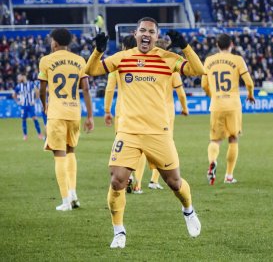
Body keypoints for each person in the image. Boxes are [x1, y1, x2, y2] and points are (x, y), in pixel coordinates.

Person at [85, 17, 204, 248]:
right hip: (128, 131)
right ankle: (119, 232)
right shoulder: (123, 57)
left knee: (174, 183)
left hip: (158, 132)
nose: (146, 34)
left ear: (157, 37)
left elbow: (199, 70)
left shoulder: (167, 58)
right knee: (117, 180)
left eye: (151, 31)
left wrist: (186, 47)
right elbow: (90, 70)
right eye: (142, 30)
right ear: (136, 33)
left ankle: (188, 210)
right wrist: (97, 51)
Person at [38, 28, 94, 211]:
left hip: (57, 113)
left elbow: (42, 89)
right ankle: (73, 193)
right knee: (71, 152)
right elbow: (85, 89)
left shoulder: (46, 60)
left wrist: (44, 104)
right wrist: (90, 116)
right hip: (74, 113)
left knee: (59, 155)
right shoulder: (79, 60)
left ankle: (65, 200)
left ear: (54, 42)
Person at [126, 38, 190, 194]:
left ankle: (138, 183)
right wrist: (185, 108)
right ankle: (154, 180)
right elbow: (180, 92)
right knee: (164, 147)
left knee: (139, 146)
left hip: (142, 111)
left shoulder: (144, 64)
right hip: (164, 112)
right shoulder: (170, 65)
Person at [201, 33, 255, 185]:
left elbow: (204, 85)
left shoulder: (209, 60)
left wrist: (212, 95)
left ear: (217, 45)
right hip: (233, 105)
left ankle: (212, 161)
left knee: (215, 140)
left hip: (216, 104)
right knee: (233, 138)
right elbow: (249, 83)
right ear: (231, 44)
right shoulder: (237, 60)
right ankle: (229, 176)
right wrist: (250, 95)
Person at [13, 70, 43, 141]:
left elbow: (37, 91)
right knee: (23, 120)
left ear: (24, 77)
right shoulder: (19, 86)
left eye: (20, 77)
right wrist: (18, 102)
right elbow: (14, 95)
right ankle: (25, 135)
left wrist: (35, 100)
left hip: (30, 105)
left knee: (34, 118)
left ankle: (39, 134)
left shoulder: (31, 84)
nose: (19, 78)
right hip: (23, 105)